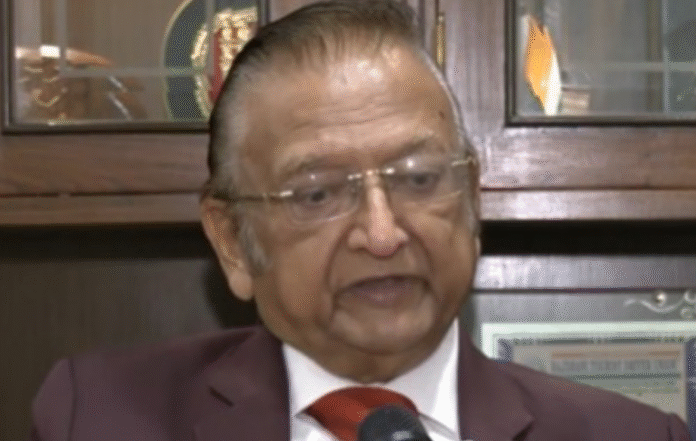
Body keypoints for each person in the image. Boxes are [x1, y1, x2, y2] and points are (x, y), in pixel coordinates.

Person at [29, 1, 691, 440]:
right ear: (232, 241)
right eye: (318, 194)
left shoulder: (629, 435)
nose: (382, 233)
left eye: (419, 179)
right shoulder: (98, 418)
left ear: (472, 199)